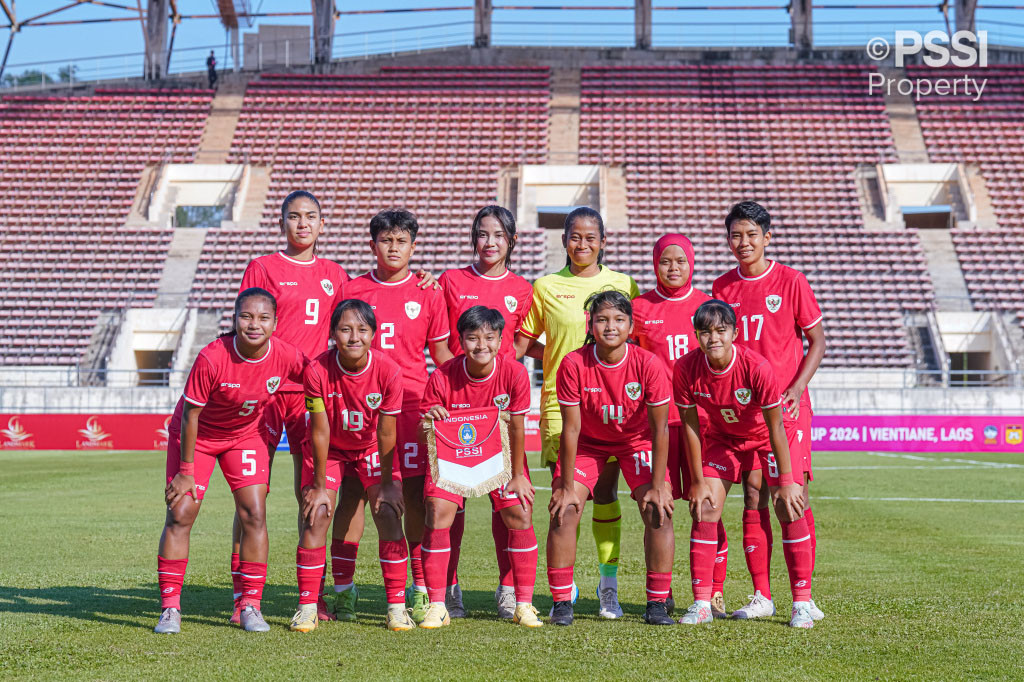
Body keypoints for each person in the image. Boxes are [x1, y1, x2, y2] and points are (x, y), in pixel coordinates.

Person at [235, 191, 436, 623]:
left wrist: (428, 280)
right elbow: (251, 320)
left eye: (311, 217)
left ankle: (346, 594)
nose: (303, 224)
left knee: (386, 499)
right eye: (294, 216)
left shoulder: (335, 276)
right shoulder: (268, 267)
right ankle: (249, 597)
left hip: (367, 399)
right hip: (284, 391)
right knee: (257, 496)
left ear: (323, 224)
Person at [154, 288, 306, 634]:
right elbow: (190, 415)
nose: (255, 324)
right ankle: (170, 608)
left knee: (254, 513)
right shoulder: (212, 357)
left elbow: (318, 377)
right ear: (235, 319)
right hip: (197, 437)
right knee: (181, 514)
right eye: (246, 316)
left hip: (245, 436)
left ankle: (250, 605)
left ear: (275, 323)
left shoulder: (285, 355)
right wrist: (186, 471)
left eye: (263, 318)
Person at [516, 207, 638, 619]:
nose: (582, 245)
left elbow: (637, 344)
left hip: (614, 408)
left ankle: (608, 585)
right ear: (564, 239)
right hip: (559, 406)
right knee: (564, 499)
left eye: (591, 238)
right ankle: (562, 593)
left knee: (604, 493)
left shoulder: (623, 284)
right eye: (575, 237)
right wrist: (551, 355)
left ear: (603, 241)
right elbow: (524, 339)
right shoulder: (546, 286)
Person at [711, 201, 826, 621]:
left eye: (751, 235)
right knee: (755, 497)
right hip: (743, 413)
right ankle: (763, 595)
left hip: (788, 408)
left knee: (789, 498)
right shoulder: (721, 288)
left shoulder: (792, 281)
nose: (743, 243)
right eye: (735, 236)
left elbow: (818, 341)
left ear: (767, 237)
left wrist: (796, 386)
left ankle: (803, 598)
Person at [341, 208, 454, 624]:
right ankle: (343, 592)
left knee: (413, 498)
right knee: (354, 497)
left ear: (413, 246)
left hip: (410, 407)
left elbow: (441, 354)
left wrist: (463, 390)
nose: (393, 247)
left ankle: (420, 591)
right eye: (386, 240)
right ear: (373, 246)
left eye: (401, 241)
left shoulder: (428, 291)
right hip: (358, 407)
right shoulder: (352, 289)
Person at [673, 299, 814, 628]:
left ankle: (802, 604)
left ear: (735, 333)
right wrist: (696, 480)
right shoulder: (685, 368)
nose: (714, 339)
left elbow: (776, 425)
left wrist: (789, 480)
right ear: (696, 336)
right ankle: (702, 604)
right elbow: (691, 427)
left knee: (788, 505)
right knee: (705, 507)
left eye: (721, 331)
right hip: (724, 439)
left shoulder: (756, 366)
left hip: (768, 437)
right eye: (705, 332)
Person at [546, 290, 675, 627]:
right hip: (588, 444)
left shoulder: (648, 364)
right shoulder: (574, 363)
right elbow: (571, 430)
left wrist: (660, 486)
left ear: (631, 326)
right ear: (591, 324)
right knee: (565, 509)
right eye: (602, 319)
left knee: (657, 509)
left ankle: (657, 603)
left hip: (637, 442)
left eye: (618, 319)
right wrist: (565, 485)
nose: (610, 326)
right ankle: (561, 602)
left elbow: (660, 430)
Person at [291, 299, 414, 633]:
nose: (354, 336)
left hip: (370, 447)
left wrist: (388, 483)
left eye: (362, 329)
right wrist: (318, 487)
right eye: (345, 329)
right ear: (333, 334)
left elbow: (387, 430)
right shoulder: (316, 371)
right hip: (329, 448)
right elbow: (319, 428)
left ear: (374, 333)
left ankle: (396, 607)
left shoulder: (388, 371)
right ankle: (307, 607)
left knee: (388, 510)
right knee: (317, 513)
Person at [418, 306, 542, 629]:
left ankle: (522, 603)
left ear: (501, 340)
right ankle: (438, 603)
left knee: (519, 512)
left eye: (489, 337)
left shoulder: (513, 372)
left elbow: (517, 427)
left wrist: (517, 476)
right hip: (453, 456)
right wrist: (430, 418)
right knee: (437, 510)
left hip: (499, 456)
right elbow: (425, 426)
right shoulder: (443, 375)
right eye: (473, 338)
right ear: (460, 341)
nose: (481, 345)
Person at [437, 205, 533, 618]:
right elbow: (439, 342)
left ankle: (509, 588)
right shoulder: (450, 281)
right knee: (450, 502)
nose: (489, 242)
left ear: (511, 240)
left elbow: (519, 348)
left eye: (498, 235)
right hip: (458, 411)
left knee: (506, 502)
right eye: (482, 234)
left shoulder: (524, 289)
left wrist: (500, 382)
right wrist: (455, 382)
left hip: (498, 415)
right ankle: (449, 586)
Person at [630, 233, 727, 617]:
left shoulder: (708, 306)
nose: (673, 268)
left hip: (702, 425)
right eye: (665, 261)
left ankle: (714, 591)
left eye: (681, 261)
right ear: (655, 263)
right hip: (657, 427)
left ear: (692, 263)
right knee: (659, 509)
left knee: (707, 508)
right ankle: (662, 592)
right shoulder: (638, 308)